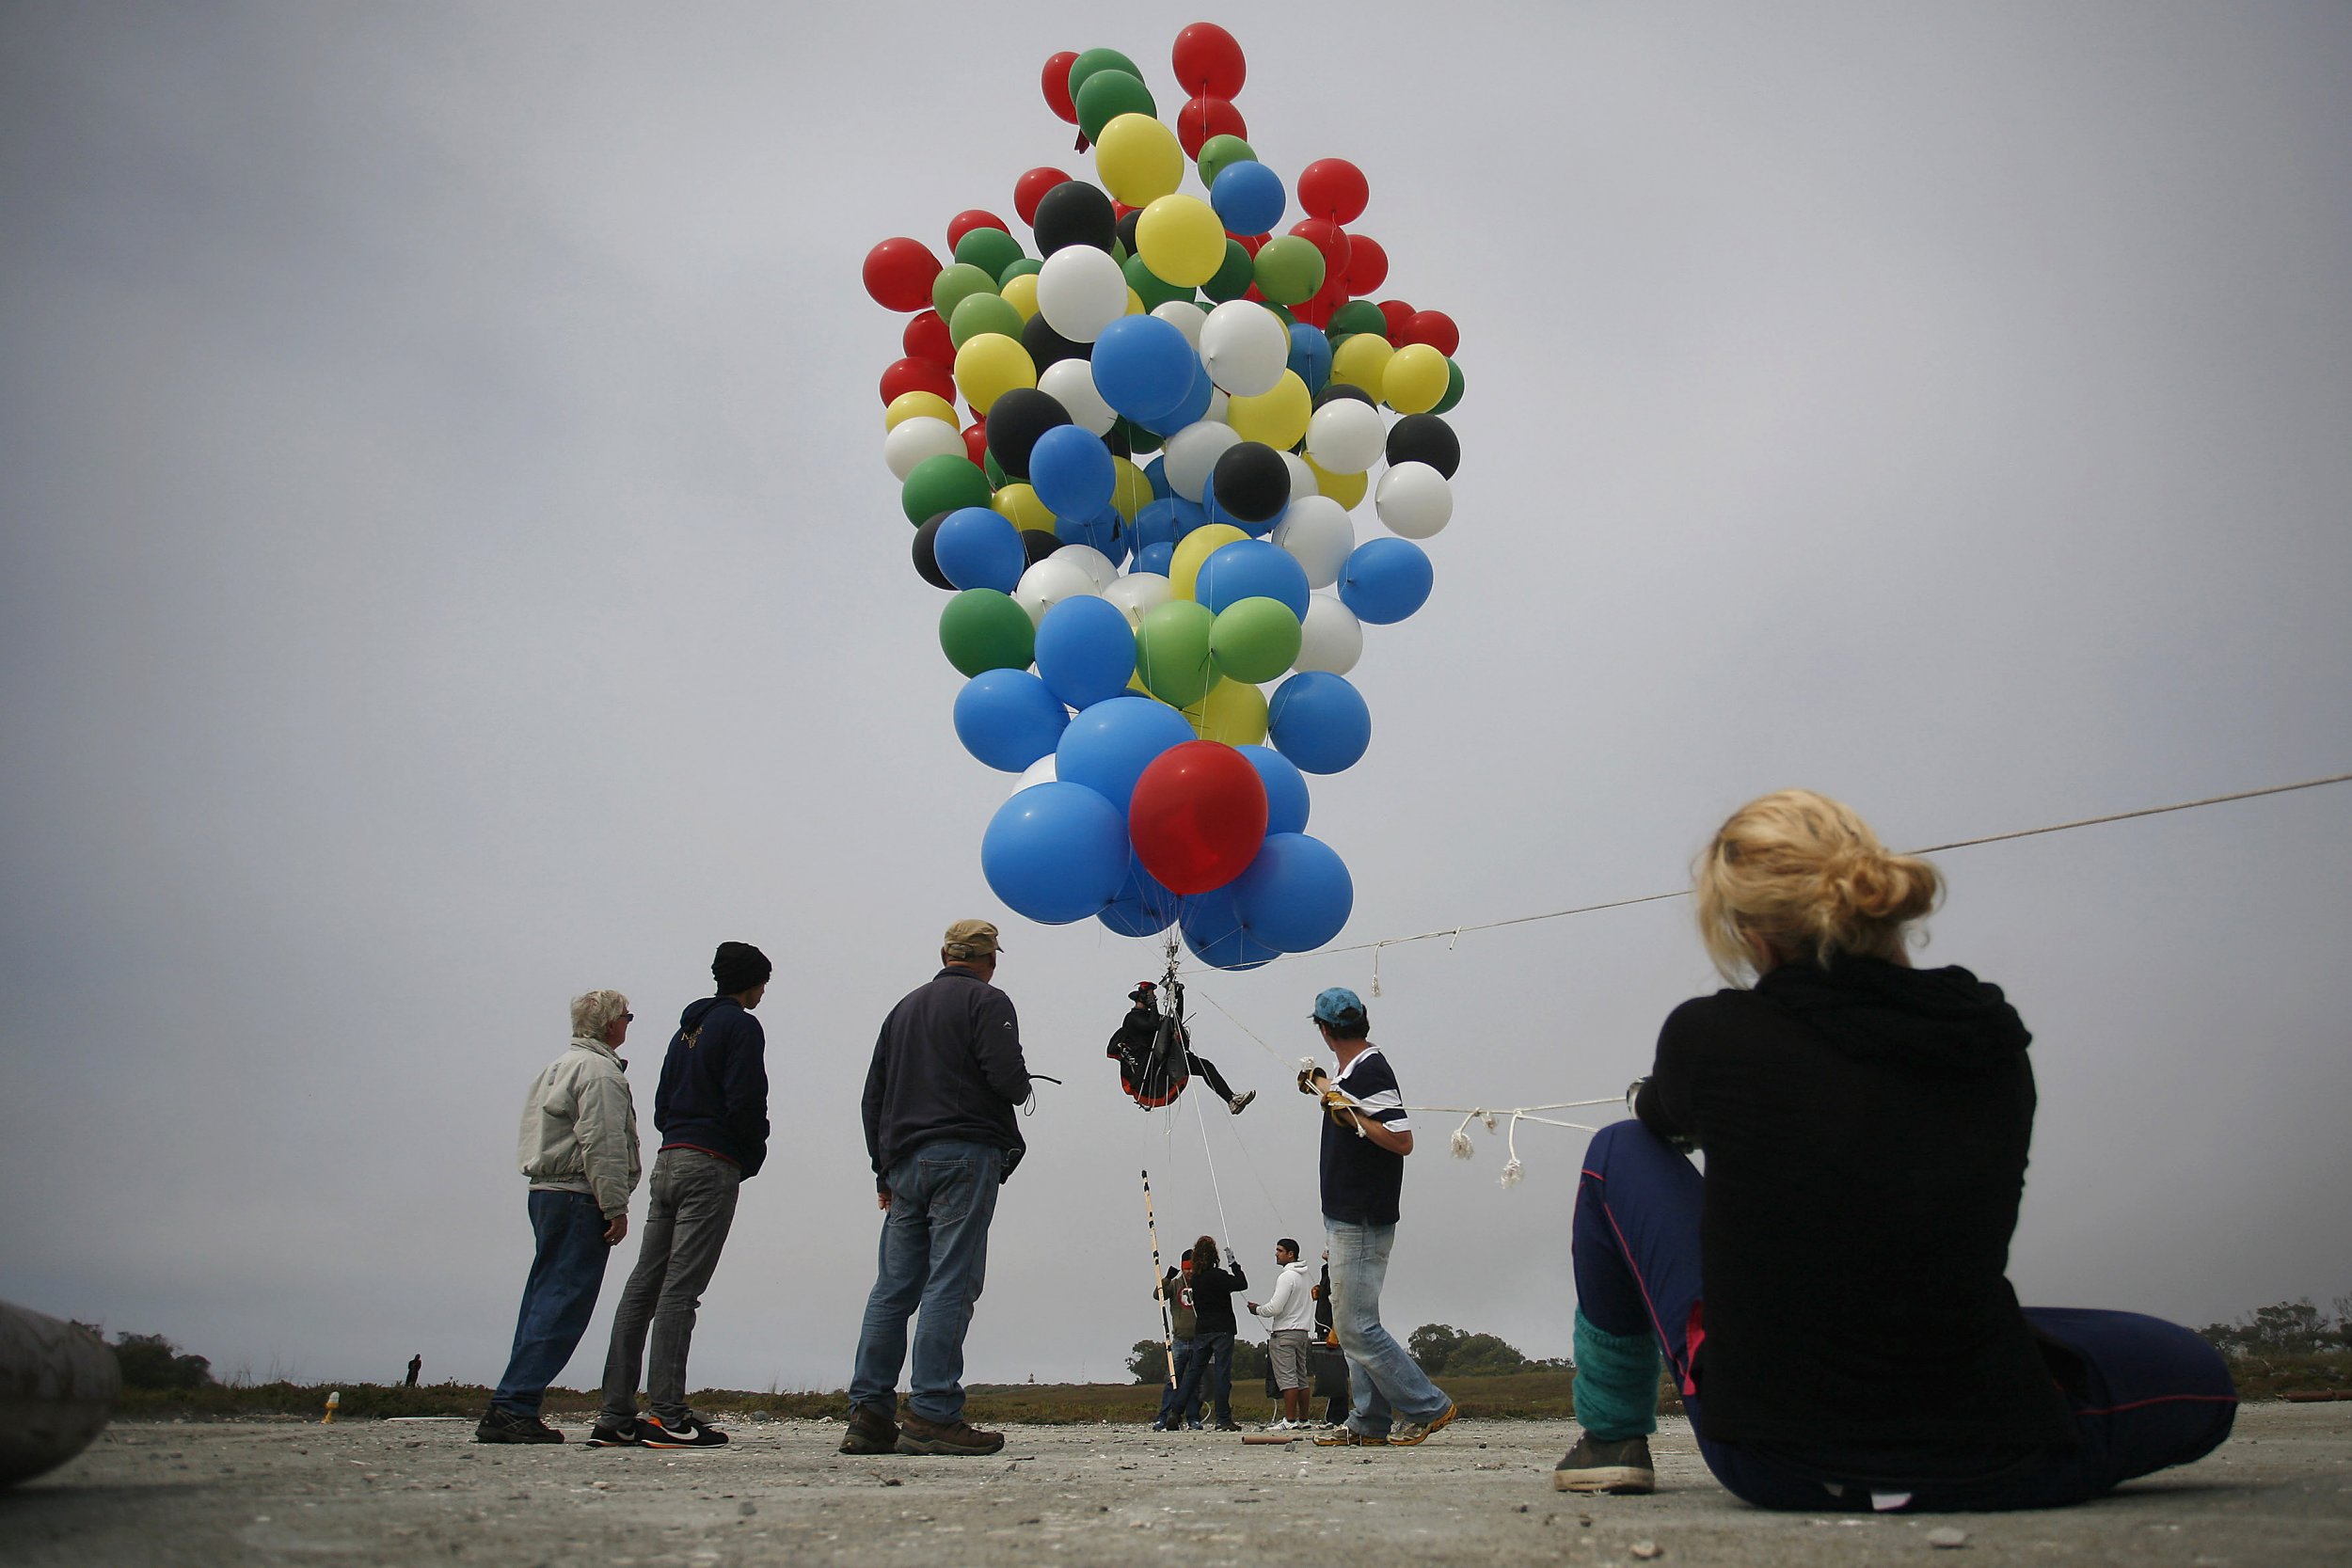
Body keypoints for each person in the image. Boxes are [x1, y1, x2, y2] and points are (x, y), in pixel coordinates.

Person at [1554, 789, 2237, 1510]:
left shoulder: (1711, 1036)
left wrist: (1671, 1098)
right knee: (2198, 1370)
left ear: (1752, 933)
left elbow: (1657, 1119)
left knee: (1617, 1148)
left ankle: (1612, 1436)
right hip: (2000, 1450)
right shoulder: (1988, 1036)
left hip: (1774, 1455)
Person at [842, 920, 1036, 1458]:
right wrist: (1021, 1084)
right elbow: (1008, 1079)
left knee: (893, 1286)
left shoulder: (902, 1010)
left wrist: (883, 1170)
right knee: (950, 1281)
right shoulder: (989, 1001)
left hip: (903, 1163)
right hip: (965, 1153)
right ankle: (931, 1412)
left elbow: (872, 1096)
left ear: (945, 954)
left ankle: (869, 1413)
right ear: (988, 959)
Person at [588, 942, 771, 1449]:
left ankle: (615, 1413)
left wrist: (678, 1134)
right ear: (751, 982)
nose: (763, 992)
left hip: (670, 1157)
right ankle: (667, 1413)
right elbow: (746, 1097)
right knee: (680, 1289)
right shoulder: (742, 1026)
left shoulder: (684, 1030)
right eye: (762, 983)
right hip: (710, 1163)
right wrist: (749, 1152)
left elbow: (663, 1101)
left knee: (644, 1283)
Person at [476, 990, 641, 1444]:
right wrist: (615, 1206)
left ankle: (513, 1401)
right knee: (564, 1303)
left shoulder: (556, 1067)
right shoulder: (600, 1073)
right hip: (577, 1196)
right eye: (626, 1017)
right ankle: (514, 1404)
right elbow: (603, 1143)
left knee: (543, 1298)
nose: (628, 1023)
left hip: (546, 1194)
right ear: (611, 1024)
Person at [1301, 987, 1455, 1448]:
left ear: (1325, 1030)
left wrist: (1350, 1113)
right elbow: (1347, 1104)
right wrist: (1323, 1087)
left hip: (1361, 1214)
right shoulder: (1351, 1069)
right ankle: (1368, 1421)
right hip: (1346, 1208)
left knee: (1354, 1327)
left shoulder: (1371, 1069)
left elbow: (1400, 1139)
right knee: (1354, 1321)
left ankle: (1429, 1405)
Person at [1107, 981, 1254, 1113]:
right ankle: (1231, 1099)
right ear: (1143, 998)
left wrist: (1179, 996)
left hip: (1164, 1059)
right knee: (1202, 1066)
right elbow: (1152, 1025)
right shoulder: (1132, 1018)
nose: (1155, 999)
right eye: (1151, 996)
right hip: (1151, 1067)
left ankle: (1232, 1100)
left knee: (1205, 1066)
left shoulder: (1151, 1015)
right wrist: (1152, 1005)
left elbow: (1175, 1021)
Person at [1170, 1233, 1248, 1431]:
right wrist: (1234, 1264)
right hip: (1222, 1328)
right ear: (1214, 1256)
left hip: (1203, 1330)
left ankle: (1176, 1411)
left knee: (1193, 1373)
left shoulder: (1196, 1279)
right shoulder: (1219, 1276)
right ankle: (1223, 1418)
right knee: (1222, 1373)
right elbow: (1241, 1284)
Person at [1248, 1238, 1316, 1428]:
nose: (1276, 1254)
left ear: (1290, 1254)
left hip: (1285, 1334)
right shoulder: (1305, 1275)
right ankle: (1304, 1420)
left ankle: (1290, 1420)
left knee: (1288, 1378)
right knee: (1302, 1378)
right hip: (1302, 1333)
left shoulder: (1287, 1277)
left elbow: (1276, 1307)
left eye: (1279, 1250)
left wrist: (1257, 1310)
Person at [1151, 1250, 1204, 1431]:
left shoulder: (1202, 1284)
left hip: (1198, 1340)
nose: (1189, 1272)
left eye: (1193, 1268)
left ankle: (1193, 1417)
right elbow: (1158, 1295)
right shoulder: (1174, 1285)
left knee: (1194, 1382)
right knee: (1172, 1380)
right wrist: (1166, 1278)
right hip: (1180, 1340)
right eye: (1186, 1268)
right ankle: (1164, 1416)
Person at [1311, 1250, 1349, 1426]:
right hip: (1324, 1325)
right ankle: (1333, 1416)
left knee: (1337, 1374)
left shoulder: (1338, 1272)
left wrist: (1336, 1328)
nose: (1324, 1251)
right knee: (1330, 1374)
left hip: (1332, 1328)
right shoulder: (1327, 1270)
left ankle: (1338, 1417)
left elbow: (1341, 1301)